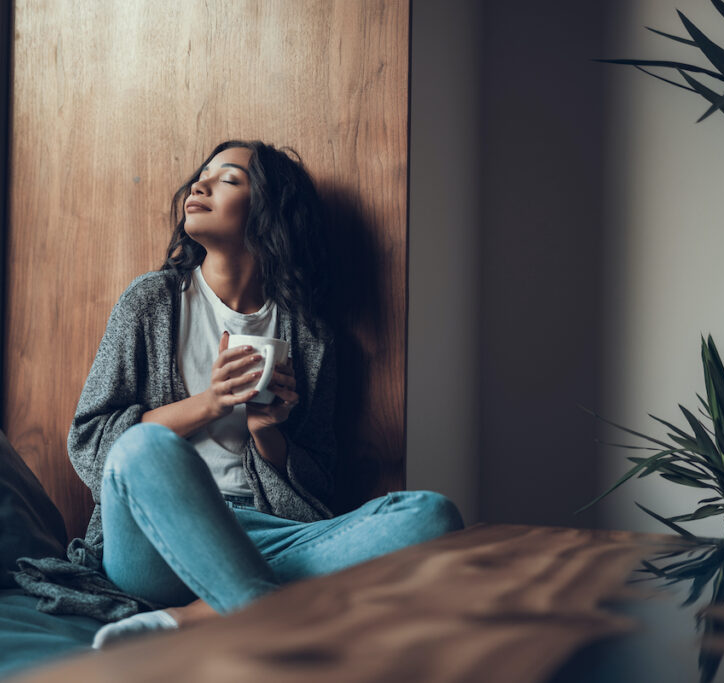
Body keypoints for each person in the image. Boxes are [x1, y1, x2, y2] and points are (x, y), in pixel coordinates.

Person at [67, 140, 463, 648]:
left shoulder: (310, 337)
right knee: (143, 448)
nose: (200, 185)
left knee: (431, 515)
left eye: (228, 179)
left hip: (266, 537)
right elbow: (91, 442)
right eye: (201, 175)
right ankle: (275, 618)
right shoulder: (150, 303)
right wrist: (210, 403)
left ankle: (204, 615)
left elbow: (317, 483)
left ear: (269, 214)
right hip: (156, 539)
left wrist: (268, 434)